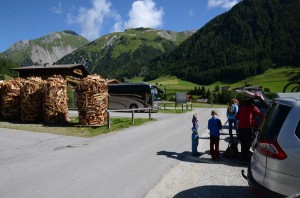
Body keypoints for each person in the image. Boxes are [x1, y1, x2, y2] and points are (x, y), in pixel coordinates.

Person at [235, 98, 264, 165]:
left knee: (243, 143)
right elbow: (261, 115)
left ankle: (242, 159)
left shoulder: (242, 108)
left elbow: (237, 117)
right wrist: (254, 122)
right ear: (252, 103)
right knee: (247, 143)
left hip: (240, 127)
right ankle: (244, 160)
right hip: (247, 127)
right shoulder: (252, 107)